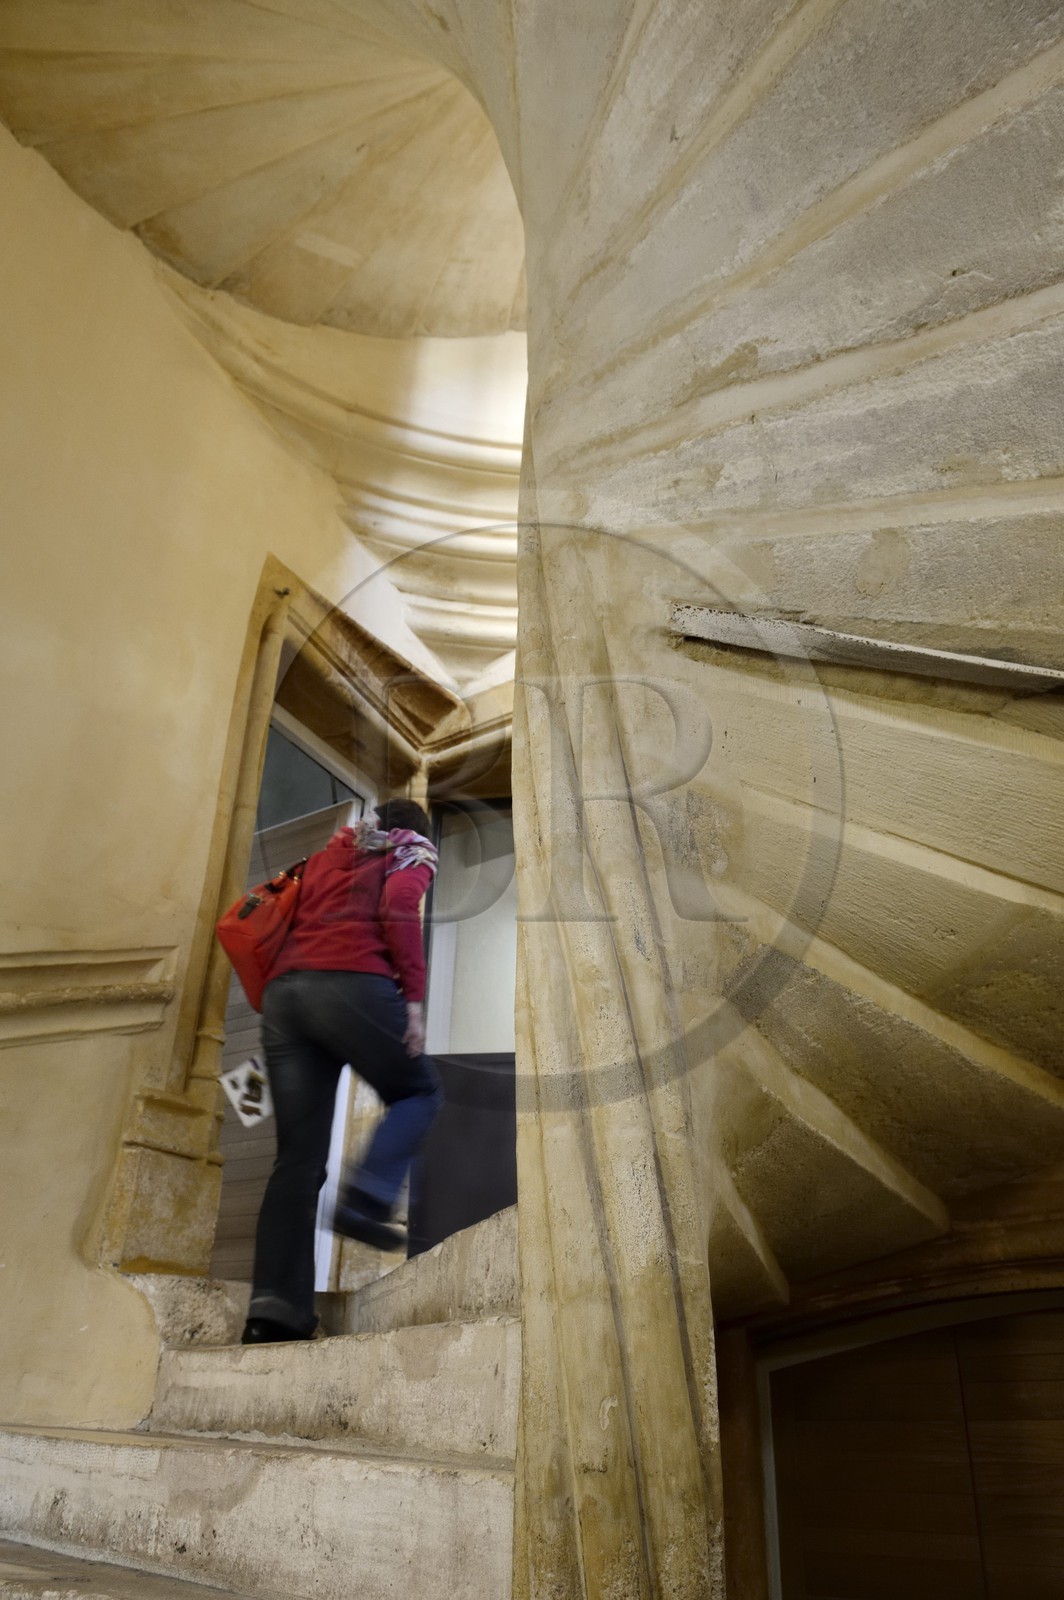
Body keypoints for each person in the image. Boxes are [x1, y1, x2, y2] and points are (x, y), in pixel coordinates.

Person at [241, 798, 442, 1345]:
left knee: (297, 1160)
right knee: (418, 1093)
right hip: (352, 984)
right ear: (415, 831)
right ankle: (366, 1200)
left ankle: (273, 1312)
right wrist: (416, 1003)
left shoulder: (330, 854)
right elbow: (401, 905)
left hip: (286, 999)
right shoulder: (411, 853)